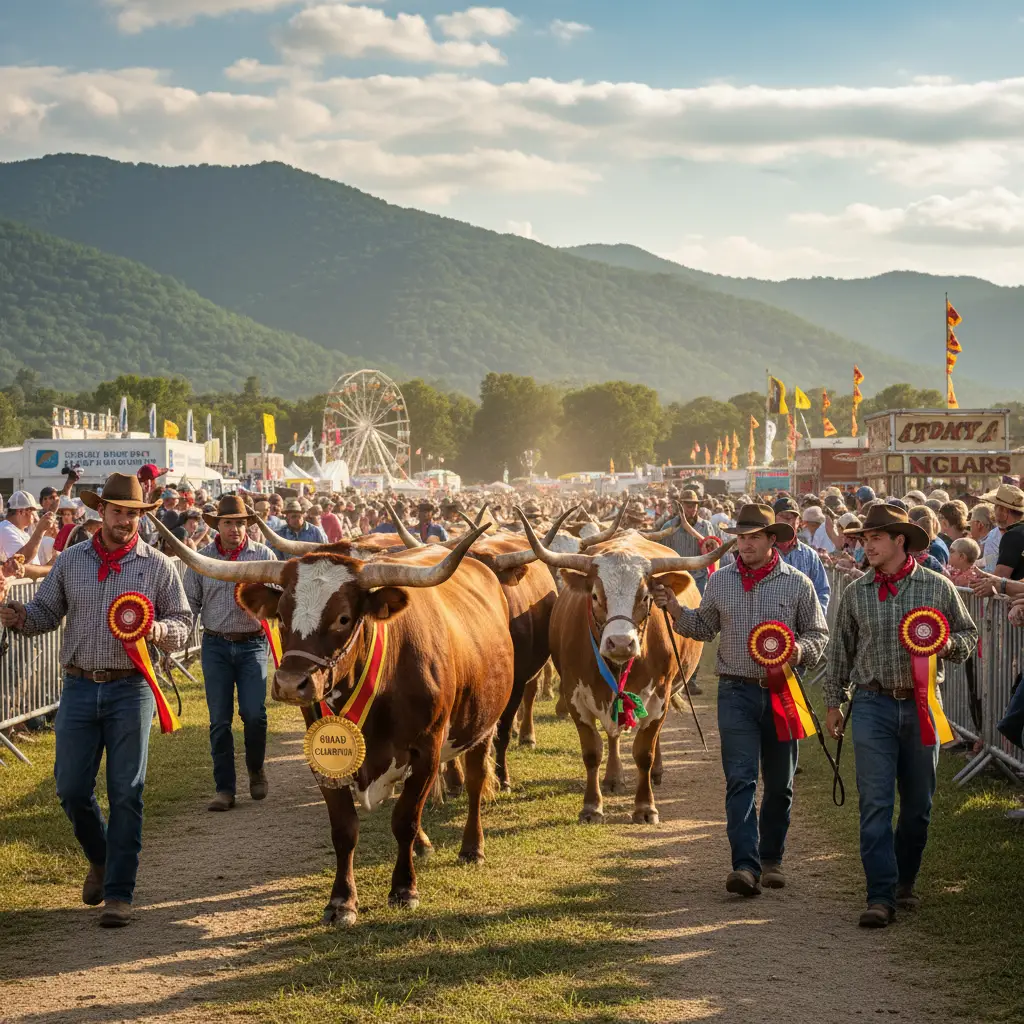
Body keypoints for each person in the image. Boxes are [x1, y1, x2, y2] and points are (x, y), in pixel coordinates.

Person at [0, 473, 192, 927]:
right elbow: (45, 612)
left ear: (141, 517)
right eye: (117, 511)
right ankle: (102, 859)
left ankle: (119, 894)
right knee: (70, 789)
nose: (124, 520)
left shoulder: (158, 566)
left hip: (133, 687)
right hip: (80, 686)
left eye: (132, 513)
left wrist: (157, 631)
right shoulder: (70, 561)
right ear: (100, 511)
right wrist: (19, 614)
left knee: (127, 792)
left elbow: (183, 622)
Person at [652, 504, 828, 898]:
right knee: (740, 779)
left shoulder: (798, 583)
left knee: (780, 783)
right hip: (735, 691)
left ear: (771, 540)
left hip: (784, 691)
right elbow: (703, 627)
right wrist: (675, 607)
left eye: (753, 537)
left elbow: (820, 637)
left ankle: (772, 858)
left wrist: (795, 652)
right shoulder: (720, 582)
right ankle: (744, 866)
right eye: (740, 537)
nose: (744, 544)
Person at [823, 504, 977, 928]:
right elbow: (840, 653)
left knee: (918, 806)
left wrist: (944, 645)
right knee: (875, 803)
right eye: (863, 538)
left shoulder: (936, 586)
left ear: (899, 541)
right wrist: (834, 703)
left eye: (875, 538)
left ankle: (903, 880)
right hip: (871, 703)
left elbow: (967, 636)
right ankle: (880, 895)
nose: (866, 544)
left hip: (923, 704)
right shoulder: (856, 592)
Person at [183, 495, 276, 812]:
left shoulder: (263, 556)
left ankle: (255, 768)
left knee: (254, 714)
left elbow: (280, 601)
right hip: (216, 645)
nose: (235, 528)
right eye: (228, 522)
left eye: (239, 522)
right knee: (219, 721)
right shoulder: (201, 559)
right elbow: (189, 605)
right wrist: (174, 637)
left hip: (252, 643)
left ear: (247, 524)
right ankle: (224, 788)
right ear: (217, 525)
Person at [773, 497, 830, 614]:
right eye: (784, 517)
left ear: (799, 522)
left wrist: (814, 621)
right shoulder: (764, 551)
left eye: (794, 517)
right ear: (773, 520)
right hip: (768, 627)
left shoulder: (810, 556)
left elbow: (822, 591)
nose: (789, 521)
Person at [660, 489, 719, 596]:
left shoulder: (706, 526)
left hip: (700, 579)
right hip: (677, 580)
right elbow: (662, 554)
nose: (693, 510)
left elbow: (712, 553)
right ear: (680, 507)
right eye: (689, 506)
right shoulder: (668, 527)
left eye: (695, 506)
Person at [0, 491, 57, 577]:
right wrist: (40, 530)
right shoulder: (6, 530)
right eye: (33, 511)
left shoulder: (21, 532)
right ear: (21, 512)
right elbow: (20, 563)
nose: (35, 515)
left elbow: (32, 565)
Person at [982, 484, 1024, 583]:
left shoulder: (1012, 536)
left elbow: (999, 579)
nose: (994, 511)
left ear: (1003, 510)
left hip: (1013, 597)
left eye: (996, 506)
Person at [968, 503, 999, 571]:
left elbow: (990, 571)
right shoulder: (994, 536)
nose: (970, 527)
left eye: (971, 523)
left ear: (979, 524)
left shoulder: (991, 541)